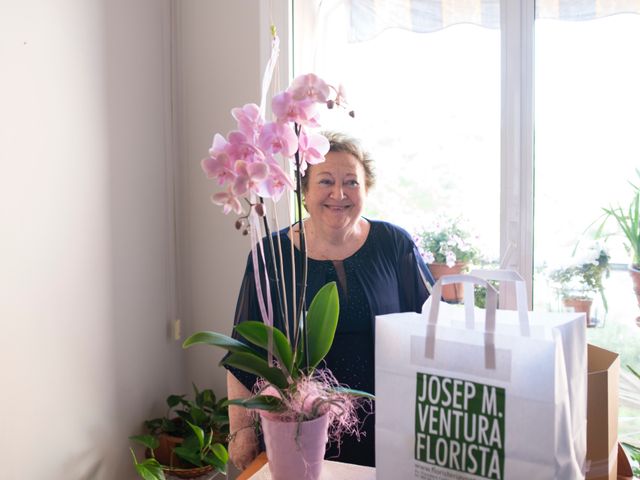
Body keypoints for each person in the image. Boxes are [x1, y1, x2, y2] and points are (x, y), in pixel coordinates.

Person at [225, 131, 435, 470]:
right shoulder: (272, 256)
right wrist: (241, 433)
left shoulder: (394, 244)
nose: (339, 193)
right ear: (304, 192)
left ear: (366, 190)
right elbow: (243, 354)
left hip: (389, 432)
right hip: (295, 432)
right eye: (326, 181)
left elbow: (432, 332)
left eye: (352, 182)